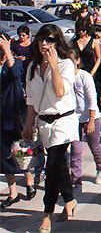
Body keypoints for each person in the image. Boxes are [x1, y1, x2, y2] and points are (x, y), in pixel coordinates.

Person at [21, 25, 79, 233]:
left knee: (53, 165)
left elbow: (60, 91)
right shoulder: (32, 68)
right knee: (58, 165)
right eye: (42, 39)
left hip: (64, 122)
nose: (45, 44)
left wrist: (54, 66)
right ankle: (70, 199)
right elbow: (32, 101)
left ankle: (47, 214)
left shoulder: (65, 65)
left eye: (50, 40)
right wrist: (28, 125)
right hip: (44, 123)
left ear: (58, 43)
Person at [0, 33, 35, 209]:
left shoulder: (16, 63)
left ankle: (29, 182)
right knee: (5, 156)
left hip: (15, 117)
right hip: (1, 119)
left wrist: (8, 52)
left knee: (21, 152)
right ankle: (13, 193)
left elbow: (16, 75)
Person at [69, 49, 101, 189]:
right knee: (75, 149)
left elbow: (92, 99)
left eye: (71, 61)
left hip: (91, 117)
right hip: (74, 118)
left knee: (94, 146)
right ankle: (76, 178)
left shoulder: (84, 76)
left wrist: (91, 120)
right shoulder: (65, 77)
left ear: (78, 61)